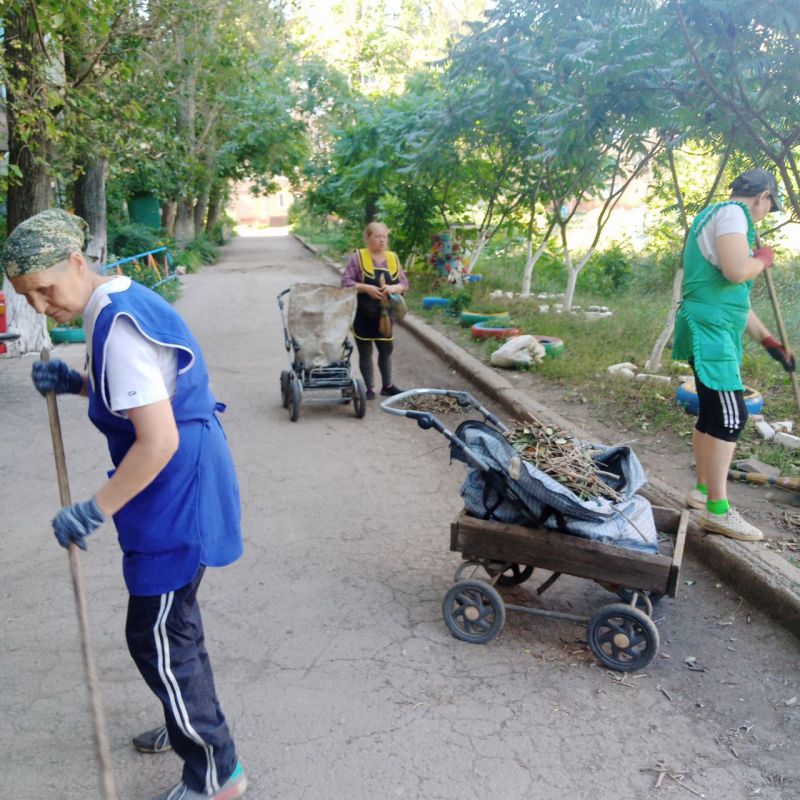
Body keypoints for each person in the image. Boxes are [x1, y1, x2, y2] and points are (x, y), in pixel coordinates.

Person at [4, 209, 247, 800]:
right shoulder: (115, 302)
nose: (39, 306)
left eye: (44, 287)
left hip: (175, 487)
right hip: (179, 480)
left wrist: (93, 508)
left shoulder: (118, 325)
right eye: (25, 297)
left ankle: (217, 774)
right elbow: (138, 393)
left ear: (77, 263)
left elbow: (157, 438)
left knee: (159, 636)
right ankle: (186, 719)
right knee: (173, 629)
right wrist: (77, 384)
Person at [673, 168, 795, 542]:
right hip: (709, 332)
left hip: (710, 324)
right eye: (769, 206)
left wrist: (770, 343)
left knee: (712, 413)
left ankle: (703, 491)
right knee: (731, 415)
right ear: (763, 196)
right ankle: (718, 512)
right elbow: (736, 270)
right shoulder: (732, 214)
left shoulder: (717, 215)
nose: (765, 213)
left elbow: (732, 299)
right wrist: (763, 260)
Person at [341, 221, 408, 399]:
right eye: (377, 236)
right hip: (362, 314)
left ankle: (387, 385)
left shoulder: (393, 258)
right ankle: (369, 388)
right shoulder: (358, 258)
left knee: (386, 349)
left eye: (384, 236)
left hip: (385, 316)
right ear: (368, 238)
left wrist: (394, 289)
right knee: (365, 351)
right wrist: (366, 288)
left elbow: (404, 284)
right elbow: (346, 283)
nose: (382, 240)